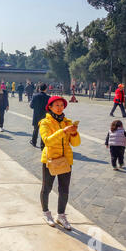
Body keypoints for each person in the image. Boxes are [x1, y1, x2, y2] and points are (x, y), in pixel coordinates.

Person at [39, 96, 81, 230]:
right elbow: (47, 141)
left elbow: (76, 144)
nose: (59, 107)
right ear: (50, 107)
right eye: (56, 105)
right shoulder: (45, 123)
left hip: (65, 160)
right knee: (47, 188)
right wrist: (63, 131)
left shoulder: (67, 122)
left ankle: (61, 215)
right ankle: (46, 213)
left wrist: (74, 134)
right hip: (50, 160)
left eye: (62, 105)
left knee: (64, 190)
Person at [30, 83, 51, 149]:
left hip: (36, 116)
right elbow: (50, 108)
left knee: (35, 129)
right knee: (44, 131)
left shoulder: (35, 96)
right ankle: (42, 145)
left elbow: (31, 106)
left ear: (39, 89)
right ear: (46, 89)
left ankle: (34, 142)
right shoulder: (48, 97)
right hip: (45, 116)